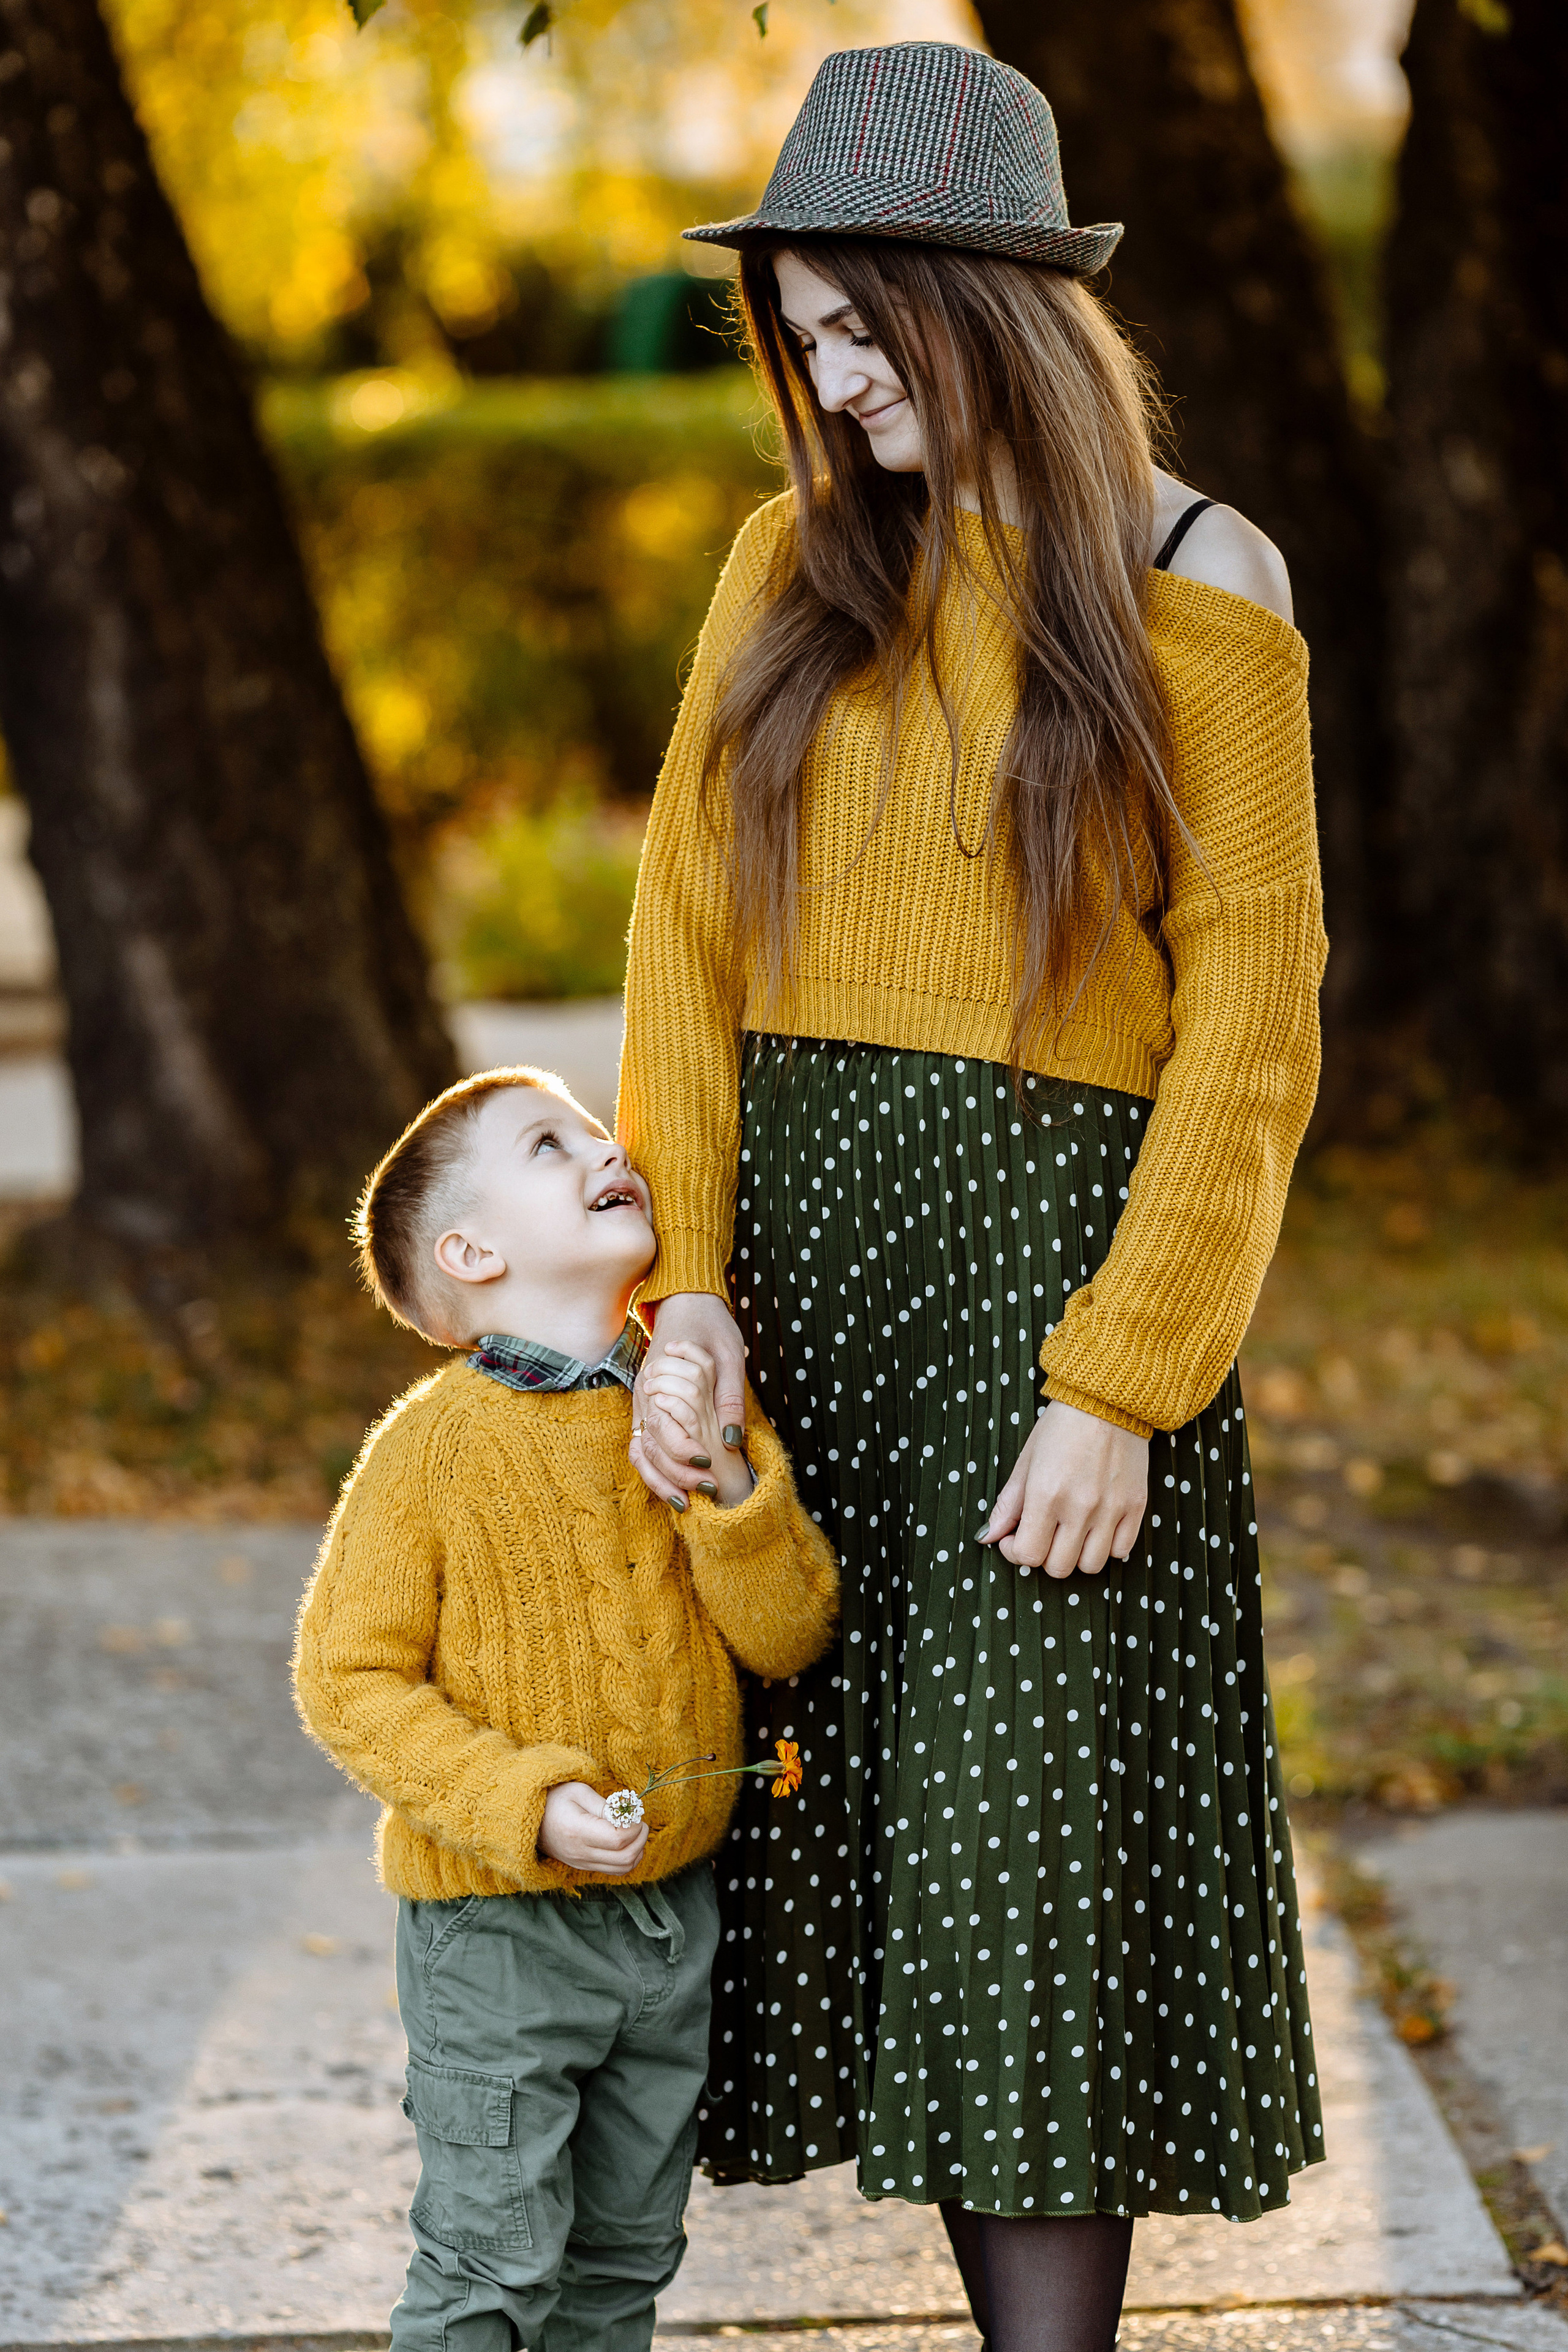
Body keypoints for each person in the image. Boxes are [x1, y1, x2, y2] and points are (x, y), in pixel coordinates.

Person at [617, 40, 1327, 2352]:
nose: (827, 380)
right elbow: (682, 947)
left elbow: (1252, 1020)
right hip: (814, 1285)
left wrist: (1124, 1378)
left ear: (995, 304)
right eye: (801, 334)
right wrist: (687, 1292)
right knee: (888, 1868)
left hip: (1053, 1306)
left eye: (862, 327)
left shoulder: (1197, 571)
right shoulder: (788, 566)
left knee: (1025, 1894)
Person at [293, 1065, 839, 2352]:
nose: (604, 1146)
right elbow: (347, 1678)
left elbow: (787, 1630)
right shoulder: (433, 1447)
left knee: (620, 2265)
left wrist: (716, 1480)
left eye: (594, 1129)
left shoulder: (695, 1396)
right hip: (497, 1936)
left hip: (668, 1926)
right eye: (550, 1144)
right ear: (471, 1252)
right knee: (491, 2264)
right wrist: (519, 1803)